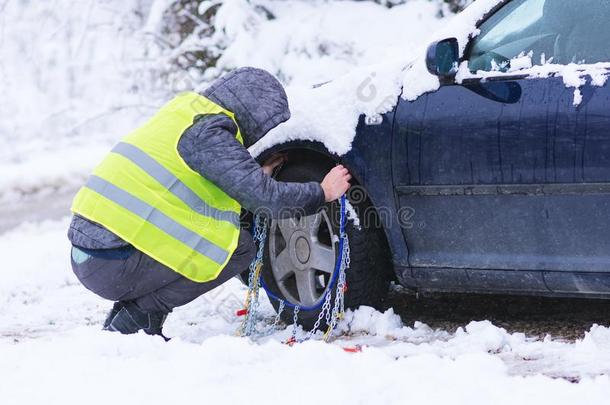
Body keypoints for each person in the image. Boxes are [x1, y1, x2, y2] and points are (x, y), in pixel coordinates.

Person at [67, 67, 351, 338]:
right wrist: (323, 191)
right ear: (252, 115)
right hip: (111, 262)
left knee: (223, 239)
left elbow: (190, 182)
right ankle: (140, 317)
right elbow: (270, 201)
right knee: (238, 249)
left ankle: (130, 317)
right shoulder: (210, 134)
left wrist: (252, 174)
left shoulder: (185, 113)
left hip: (93, 253)